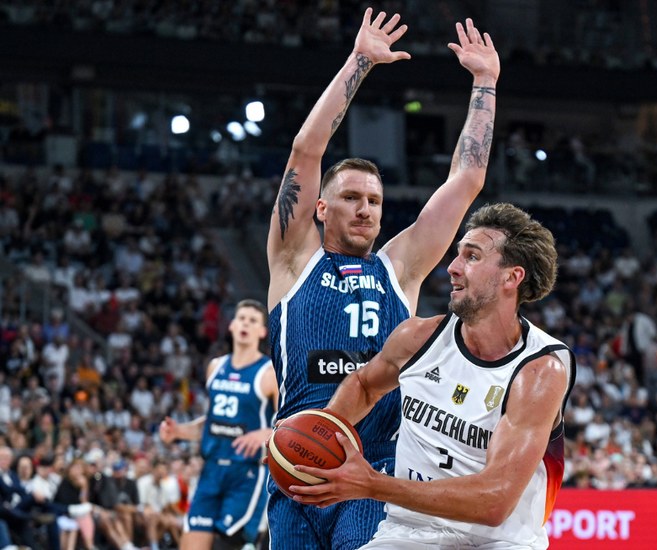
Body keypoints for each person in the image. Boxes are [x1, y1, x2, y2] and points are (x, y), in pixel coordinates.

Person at [266, 10, 499, 550]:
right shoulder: (293, 259)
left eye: (374, 200)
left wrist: (485, 83)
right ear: (320, 208)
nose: (365, 208)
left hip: (375, 473)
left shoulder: (401, 267)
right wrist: (359, 61)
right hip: (298, 466)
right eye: (350, 197)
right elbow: (306, 151)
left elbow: (466, 179)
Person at [289, 204, 575, 549]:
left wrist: (372, 484)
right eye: (458, 254)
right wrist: (316, 434)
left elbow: (495, 500)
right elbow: (363, 384)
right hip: (409, 531)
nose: (452, 267)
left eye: (472, 257)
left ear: (511, 278)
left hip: (498, 541)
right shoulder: (418, 338)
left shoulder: (539, 371)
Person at [159, 300, 278, 550]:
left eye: (253, 321)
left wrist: (267, 433)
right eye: (241, 318)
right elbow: (212, 422)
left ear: (262, 332)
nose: (245, 324)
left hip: (246, 472)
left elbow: (290, 423)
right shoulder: (215, 367)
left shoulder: (270, 373)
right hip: (211, 470)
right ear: (232, 325)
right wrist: (179, 431)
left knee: (227, 545)